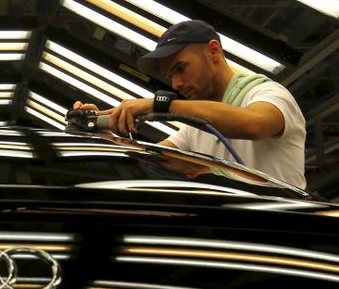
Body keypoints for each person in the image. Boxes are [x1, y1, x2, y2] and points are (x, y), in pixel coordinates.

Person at [74, 19, 306, 187]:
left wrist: (161, 105)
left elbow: (254, 124)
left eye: (181, 68)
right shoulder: (192, 128)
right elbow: (154, 159)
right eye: (170, 77)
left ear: (213, 51)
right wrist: (104, 135)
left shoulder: (268, 93)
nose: (176, 84)